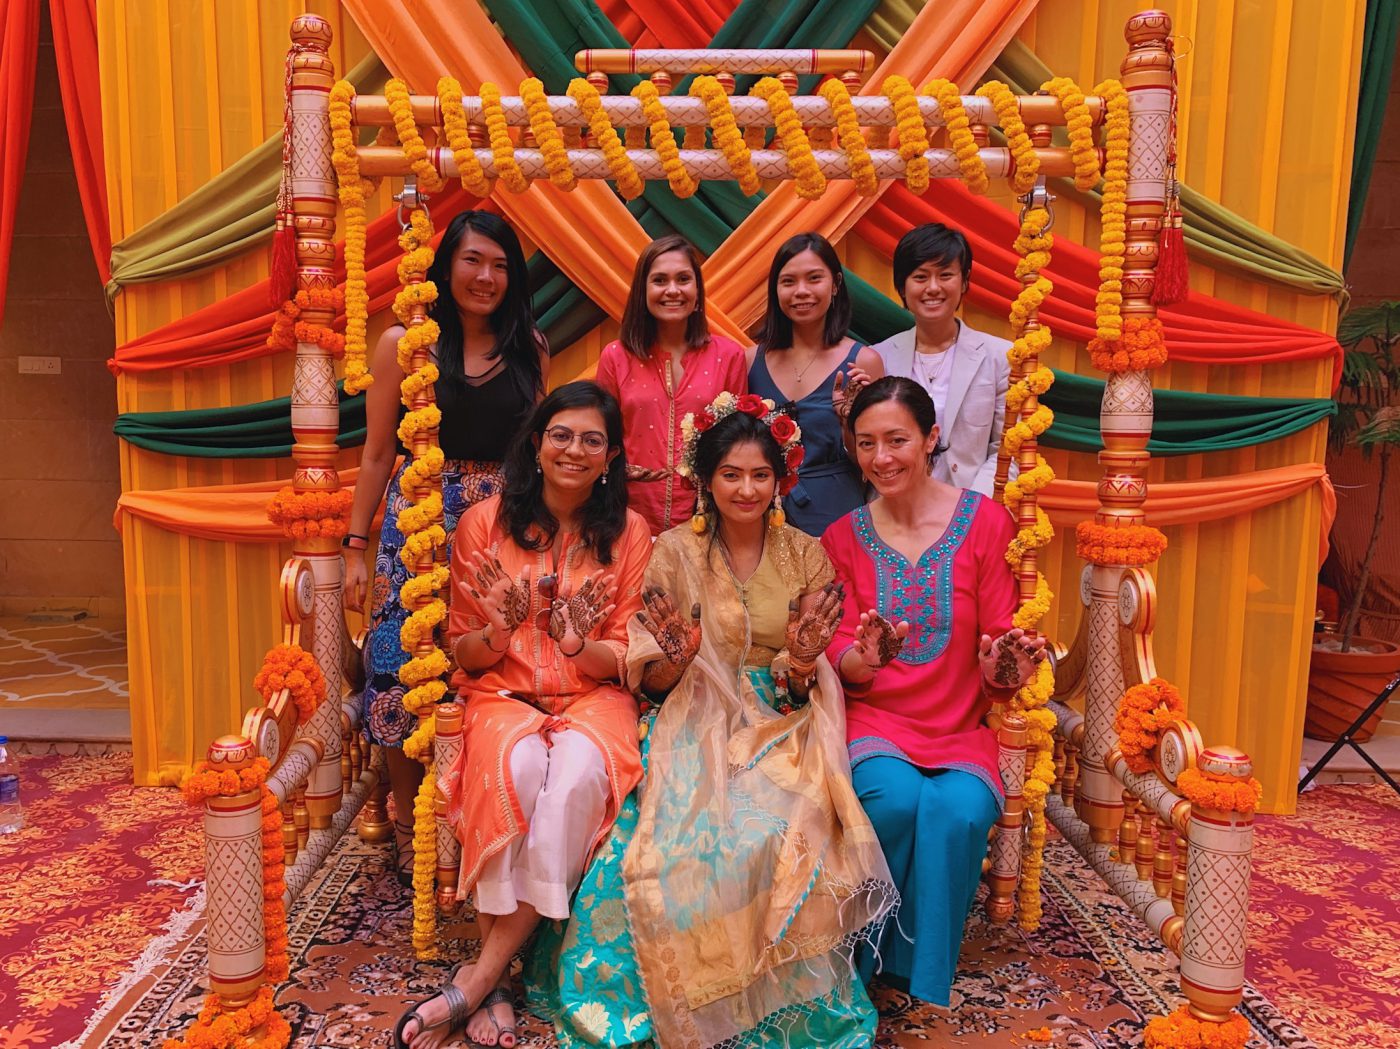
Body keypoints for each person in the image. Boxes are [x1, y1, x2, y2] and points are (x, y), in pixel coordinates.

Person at [527, 393, 896, 1049]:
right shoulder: (672, 552)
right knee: (653, 852)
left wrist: (806, 656)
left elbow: (802, 674)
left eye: (760, 474)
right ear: (705, 480)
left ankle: (772, 1012)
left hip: (785, 723)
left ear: (780, 479)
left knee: (779, 831)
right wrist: (678, 656)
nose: (746, 488)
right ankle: (676, 1005)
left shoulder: (806, 554)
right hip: (690, 715)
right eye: (731, 474)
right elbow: (654, 674)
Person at [394, 382, 651, 1049]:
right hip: (501, 693)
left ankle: (481, 981)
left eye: (592, 439)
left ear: (611, 455)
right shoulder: (485, 523)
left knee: (570, 782)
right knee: (517, 769)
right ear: (536, 443)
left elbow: (623, 656)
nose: (574, 449)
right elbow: (465, 650)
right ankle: (496, 981)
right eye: (560, 434)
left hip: (594, 696)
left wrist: (573, 643)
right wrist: (503, 632)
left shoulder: (629, 534)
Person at [819, 376, 1046, 1009]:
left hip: (960, 729)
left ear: (931, 438)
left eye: (897, 439)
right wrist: (862, 659)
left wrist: (1005, 667)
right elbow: (837, 652)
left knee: (960, 811)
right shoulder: (843, 537)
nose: (881, 457)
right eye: (866, 444)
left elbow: (1001, 657)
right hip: (876, 724)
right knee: (891, 803)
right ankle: (860, 962)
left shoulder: (984, 523)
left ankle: (912, 974)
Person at [343, 210, 547, 891]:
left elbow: (537, 453)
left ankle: (475, 818)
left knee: (486, 671)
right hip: (417, 526)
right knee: (402, 671)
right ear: (446, 266)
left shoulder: (531, 348)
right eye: (473, 260)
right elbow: (375, 454)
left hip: (501, 527)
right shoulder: (404, 343)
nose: (486, 276)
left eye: (499, 265)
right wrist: (353, 544)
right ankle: (408, 828)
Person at [595, 234, 748, 535]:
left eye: (683, 279)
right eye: (660, 280)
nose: (673, 290)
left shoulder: (728, 355)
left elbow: (737, 442)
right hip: (627, 516)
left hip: (706, 517)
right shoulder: (616, 357)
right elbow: (601, 437)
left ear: (697, 289)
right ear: (643, 290)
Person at [748, 232, 884, 536]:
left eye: (814, 278)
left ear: (835, 284)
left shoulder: (863, 362)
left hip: (835, 514)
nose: (801, 291)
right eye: (788, 282)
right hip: (760, 516)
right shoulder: (748, 360)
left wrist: (849, 421)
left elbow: (876, 460)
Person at [868, 223, 1010, 496]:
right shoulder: (878, 357)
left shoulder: (1000, 357)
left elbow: (1006, 450)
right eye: (920, 277)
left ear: (964, 281)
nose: (933, 288)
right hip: (893, 510)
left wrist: (973, 507)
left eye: (945, 275)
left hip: (971, 509)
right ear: (901, 286)